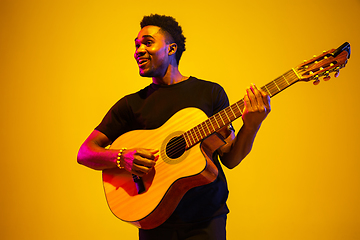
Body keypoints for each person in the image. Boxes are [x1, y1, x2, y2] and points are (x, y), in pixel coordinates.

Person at [77, 14, 271, 240]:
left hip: (207, 220)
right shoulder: (131, 105)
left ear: (171, 49)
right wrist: (122, 157)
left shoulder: (210, 93)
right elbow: (85, 152)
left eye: (147, 43)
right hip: (153, 218)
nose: (138, 51)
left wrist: (251, 126)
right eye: (136, 45)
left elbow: (230, 158)